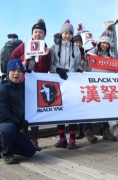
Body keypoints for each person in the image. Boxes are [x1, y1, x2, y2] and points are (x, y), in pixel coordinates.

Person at [9, 19, 51, 151]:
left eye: (40, 32)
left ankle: (34, 140)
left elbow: (46, 68)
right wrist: (21, 64)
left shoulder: (46, 49)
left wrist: (45, 56)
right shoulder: (24, 46)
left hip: (37, 84)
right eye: (35, 32)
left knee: (35, 111)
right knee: (22, 110)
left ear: (44, 35)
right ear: (32, 33)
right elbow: (12, 59)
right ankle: (24, 138)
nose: (37, 34)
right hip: (23, 81)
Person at [0, 59, 36, 164]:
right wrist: (18, 121)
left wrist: (32, 77)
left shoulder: (22, 88)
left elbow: (35, 88)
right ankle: (6, 153)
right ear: (8, 72)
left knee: (30, 151)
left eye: (19, 71)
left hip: (12, 130)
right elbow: (1, 114)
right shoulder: (1, 90)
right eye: (13, 70)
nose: (16, 73)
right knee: (9, 127)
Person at [49, 19, 83, 149]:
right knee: (60, 110)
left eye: (70, 33)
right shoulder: (54, 47)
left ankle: (72, 139)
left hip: (72, 81)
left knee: (72, 110)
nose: (67, 35)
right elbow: (51, 64)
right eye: (65, 33)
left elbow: (78, 64)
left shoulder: (76, 48)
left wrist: (79, 70)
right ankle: (62, 137)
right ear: (61, 33)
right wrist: (57, 69)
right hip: (58, 81)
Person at [85, 31, 118, 142]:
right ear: (99, 43)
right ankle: (88, 131)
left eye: (107, 43)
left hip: (105, 86)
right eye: (103, 42)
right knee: (89, 108)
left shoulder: (110, 56)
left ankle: (106, 132)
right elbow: (87, 58)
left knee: (104, 108)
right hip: (92, 85)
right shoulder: (91, 53)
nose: (105, 45)